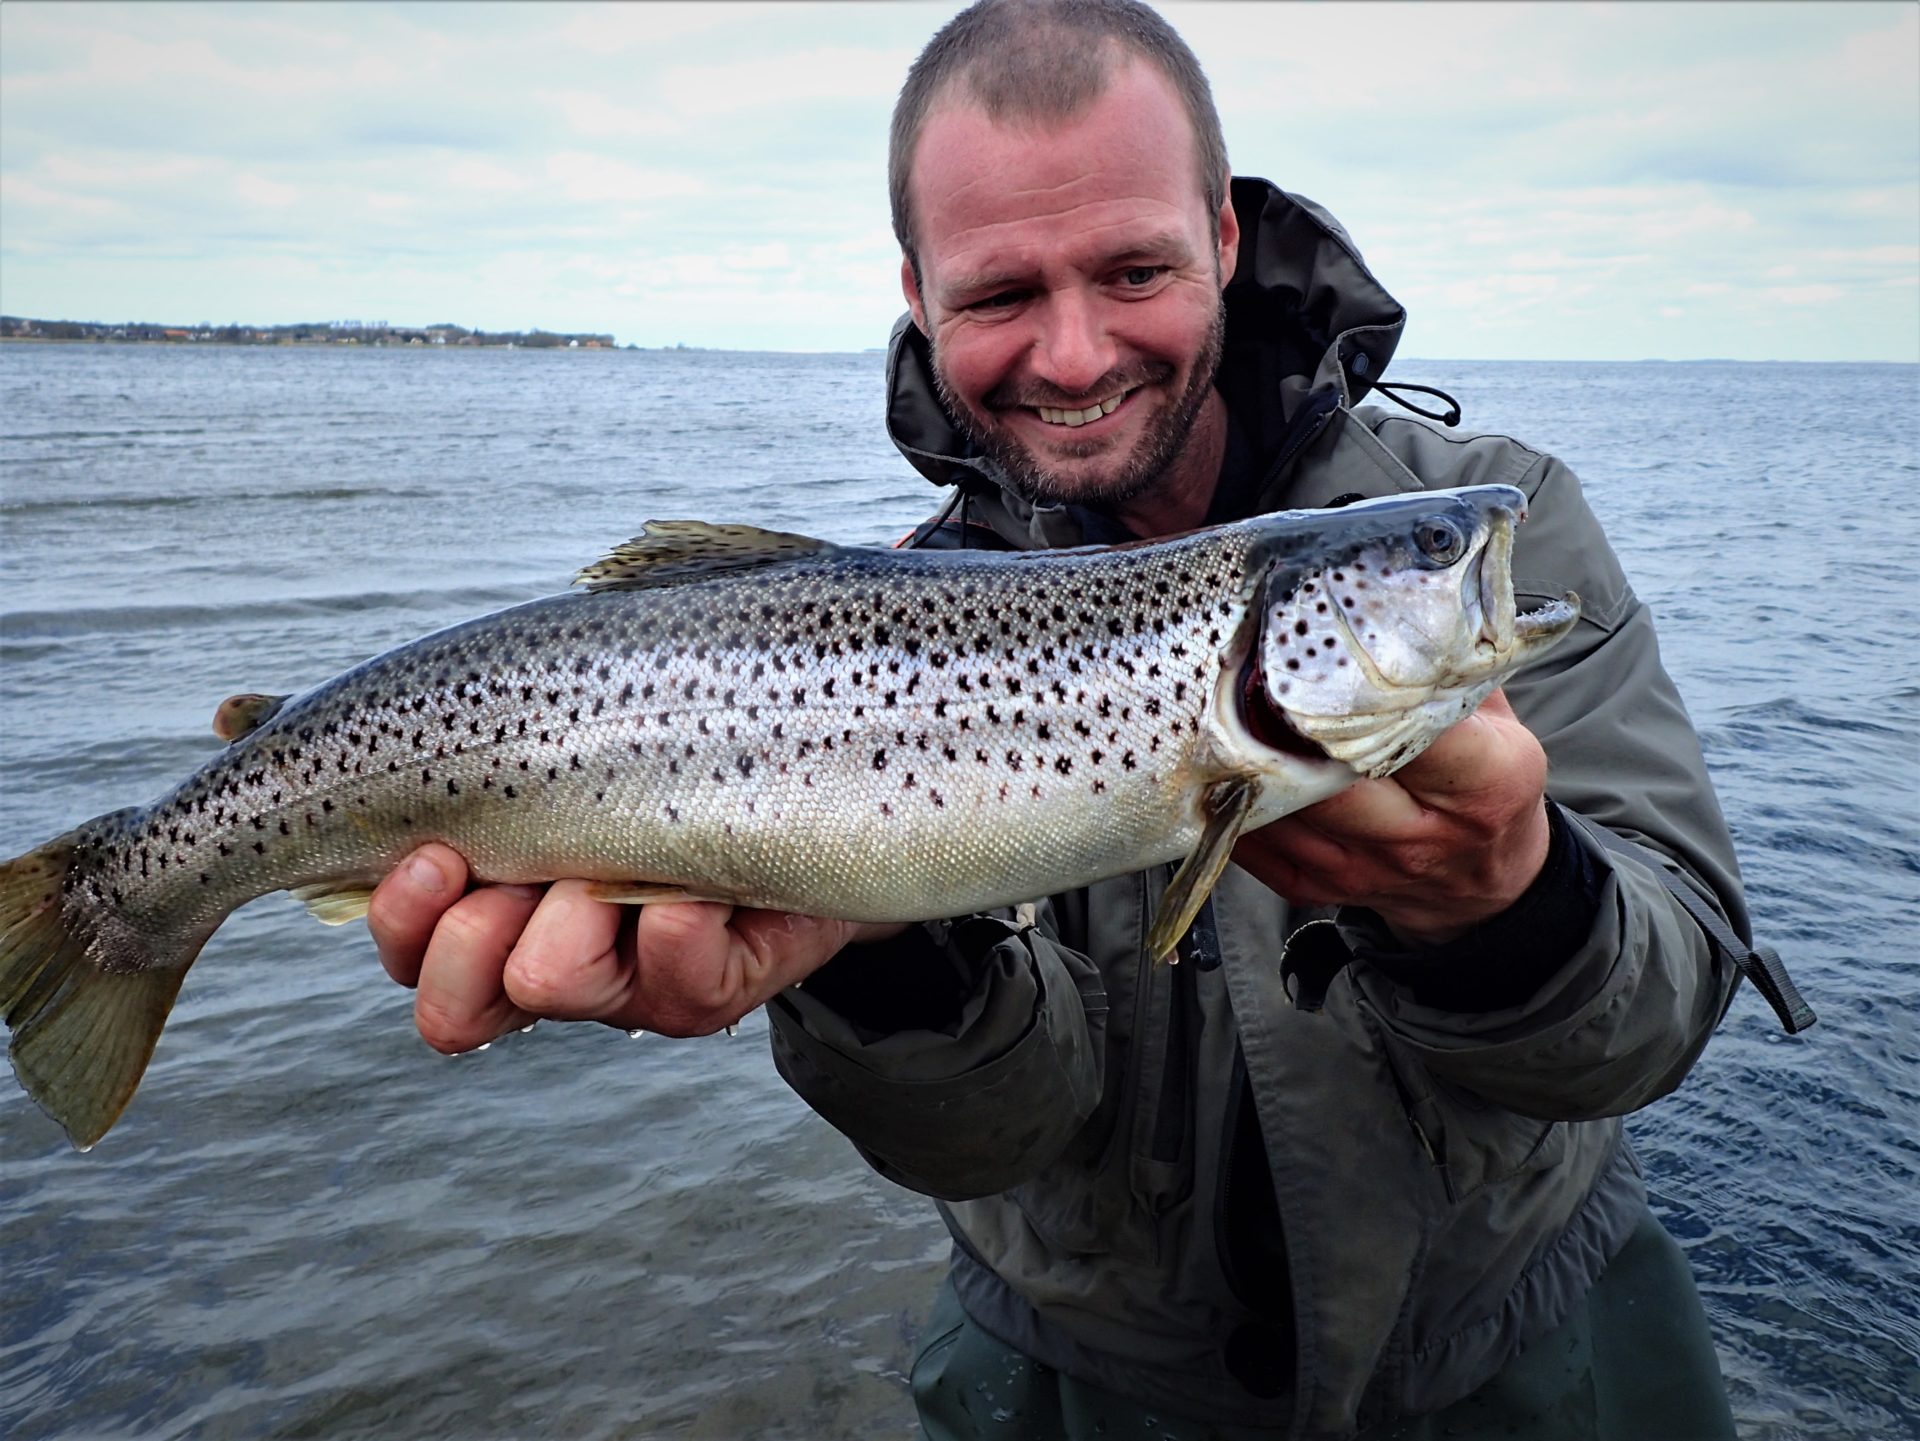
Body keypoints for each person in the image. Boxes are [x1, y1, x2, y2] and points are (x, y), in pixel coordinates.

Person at [366, 2, 1783, 1435]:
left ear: (1224, 238)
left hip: (1525, 1350)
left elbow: (1661, 1017)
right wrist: (874, 964)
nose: (1073, 349)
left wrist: (1515, 912)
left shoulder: (1508, 508)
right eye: (998, 296)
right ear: (917, 293)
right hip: (1079, 1381)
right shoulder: (891, 627)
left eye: (1132, 269)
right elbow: (995, 1138)